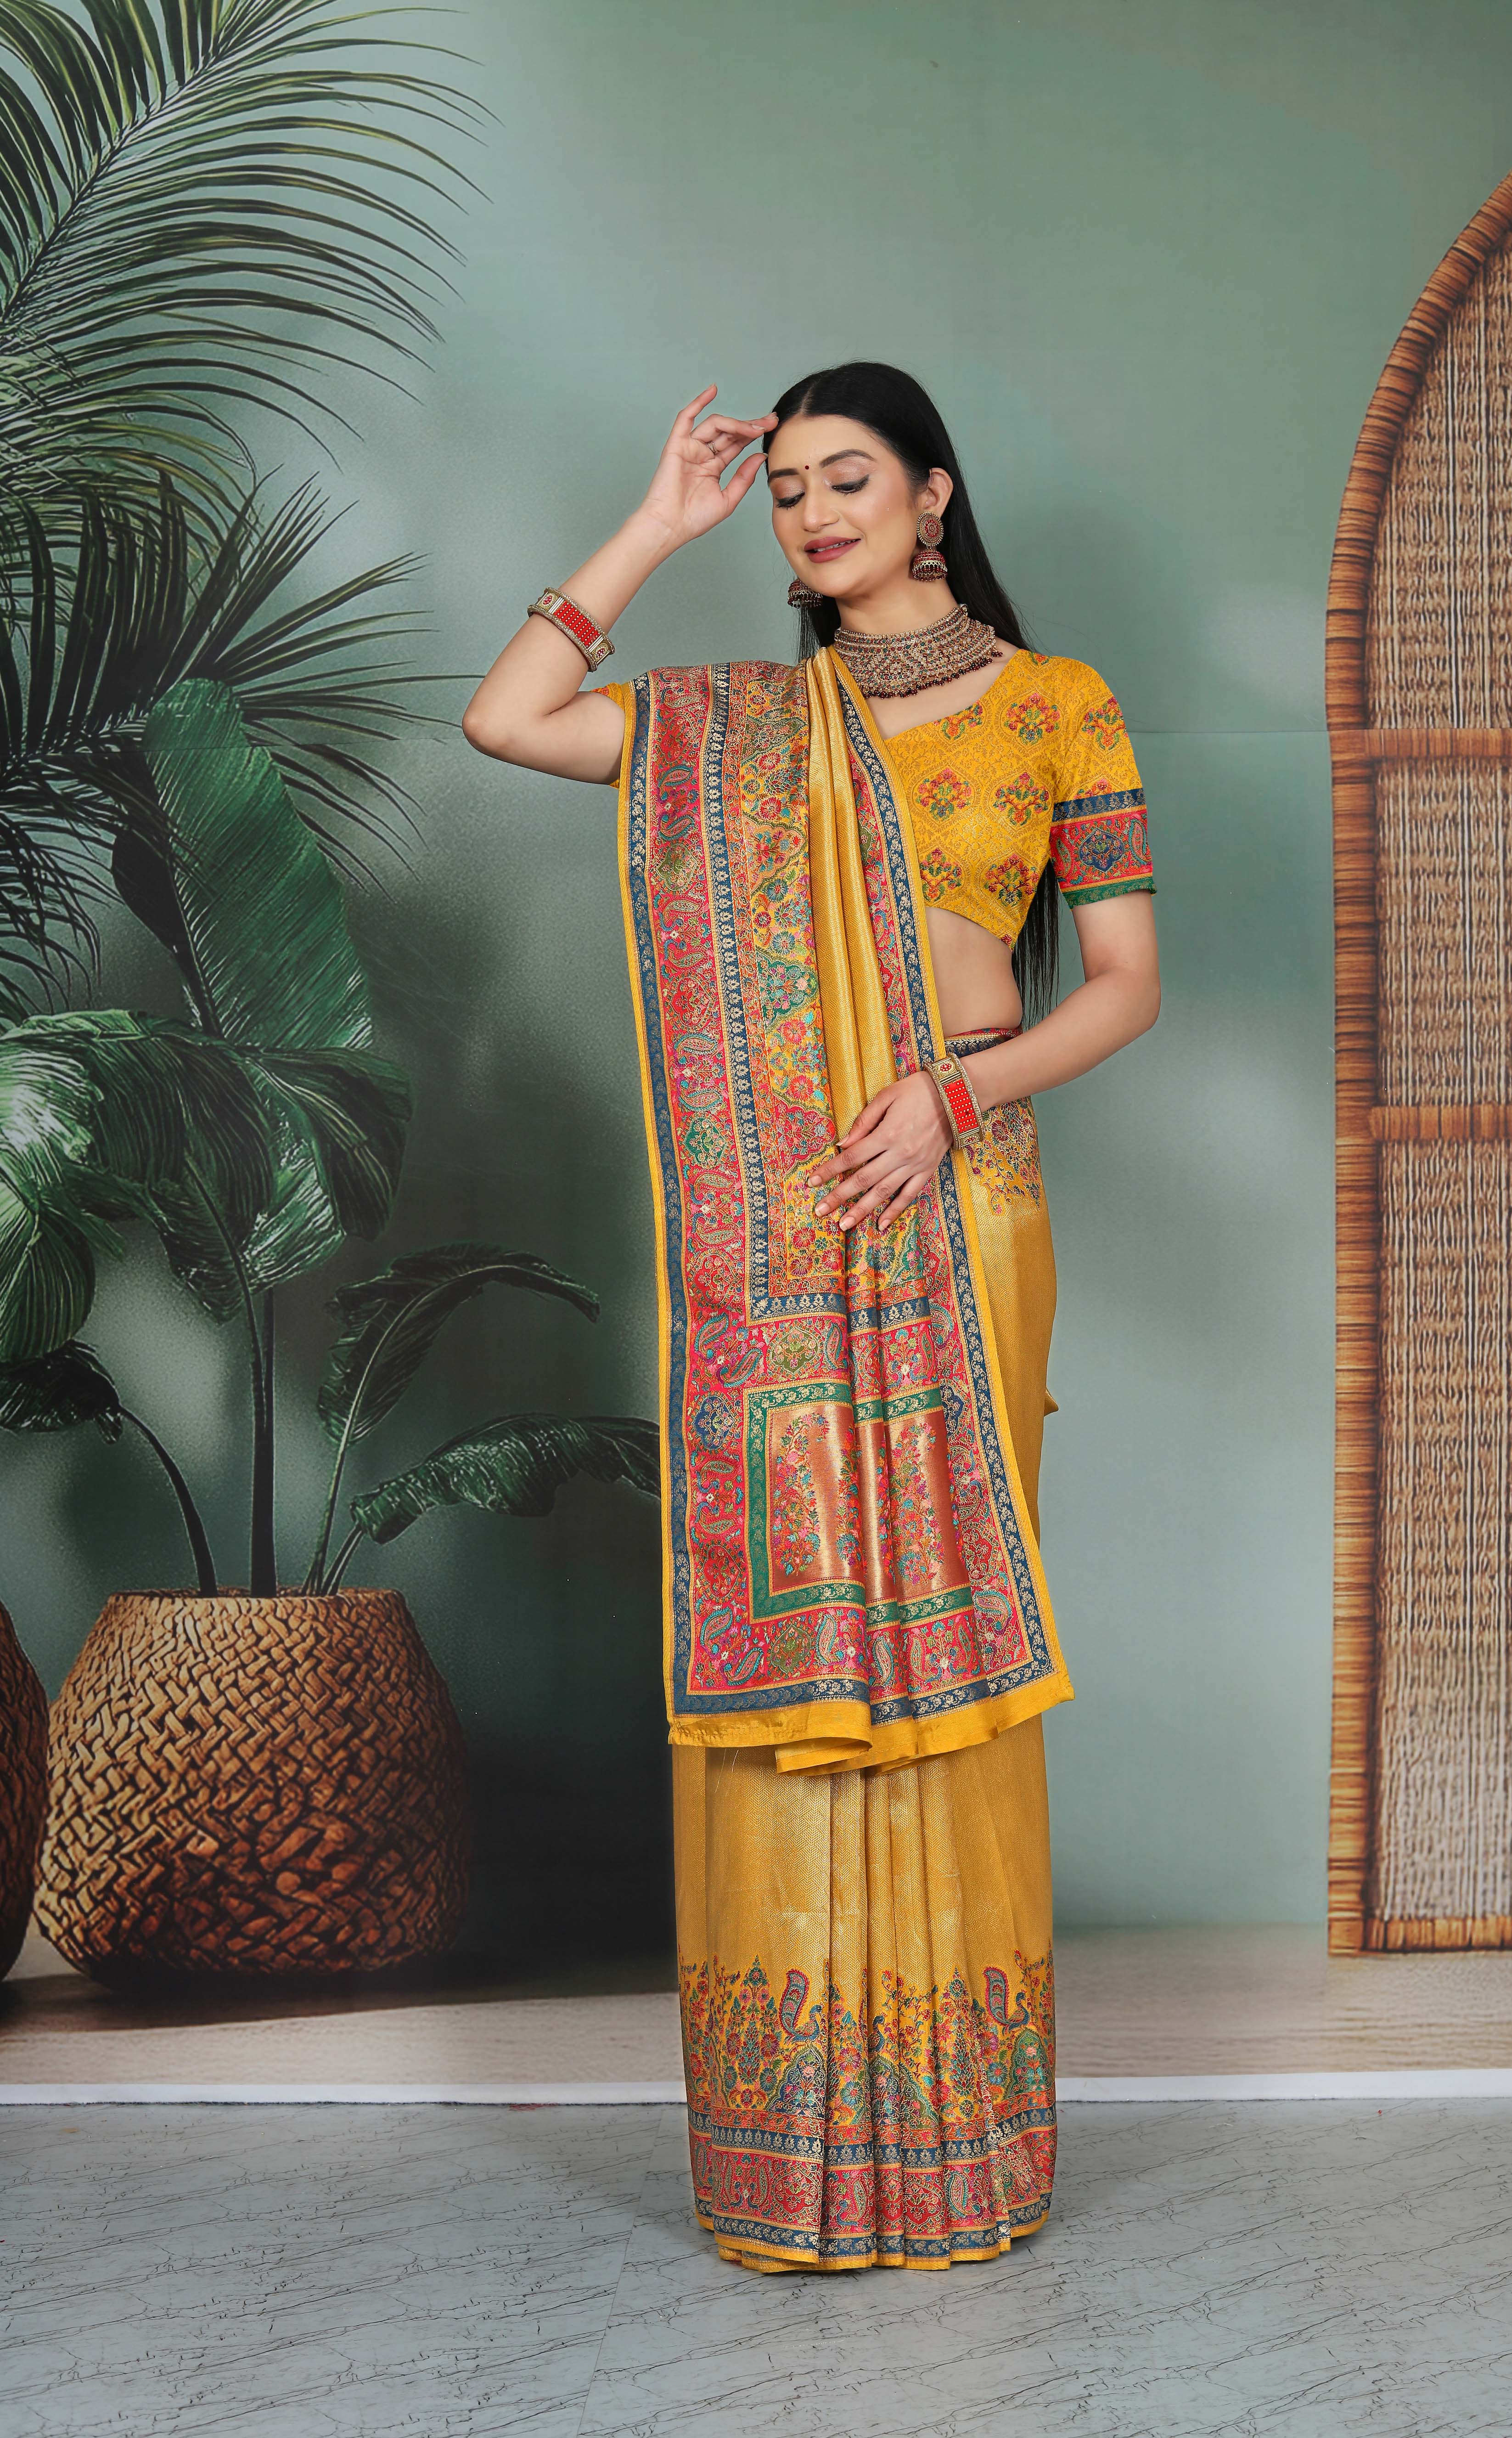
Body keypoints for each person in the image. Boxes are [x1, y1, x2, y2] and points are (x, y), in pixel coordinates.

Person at [463, 361, 1160, 2272]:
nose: (813, 513)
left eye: (846, 477)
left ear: (935, 494)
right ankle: (798, 2157)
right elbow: (508, 716)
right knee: (803, 1637)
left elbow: (1121, 984)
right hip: (782, 1230)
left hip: (961, 1196)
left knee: (948, 1633)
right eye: (783, 492)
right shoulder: (741, 730)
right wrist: (654, 526)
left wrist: (953, 1098)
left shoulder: (1058, 705)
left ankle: (956, 2145)